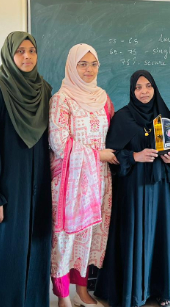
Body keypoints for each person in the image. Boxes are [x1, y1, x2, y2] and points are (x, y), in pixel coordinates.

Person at [0, 31, 53, 307]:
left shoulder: (44, 90)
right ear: (9, 54)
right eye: (20, 51)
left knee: (34, 245)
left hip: (38, 183)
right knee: (3, 249)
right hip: (6, 184)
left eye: (32, 50)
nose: (27, 56)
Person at [95, 70, 170, 307]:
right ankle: (134, 292)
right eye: (138, 87)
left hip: (160, 190)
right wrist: (135, 156)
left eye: (148, 86)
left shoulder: (164, 117)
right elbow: (112, 155)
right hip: (133, 189)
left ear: (155, 88)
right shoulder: (122, 118)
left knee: (160, 236)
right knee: (134, 235)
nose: (144, 92)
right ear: (132, 91)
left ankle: (162, 289)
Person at [49, 44, 117, 307]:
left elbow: (114, 134)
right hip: (71, 181)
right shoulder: (61, 99)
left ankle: (82, 290)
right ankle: (63, 296)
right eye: (82, 64)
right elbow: (59, 142)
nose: (89, 70)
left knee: (90, 236)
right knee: (66, 239)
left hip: (99, 180)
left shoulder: (103, 98)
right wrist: (98, 155)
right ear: (72, 66)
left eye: (93, 64)